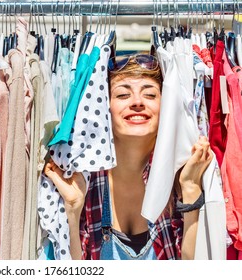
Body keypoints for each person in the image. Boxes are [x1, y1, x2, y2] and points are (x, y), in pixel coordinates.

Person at [44, 54, 213, 260]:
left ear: (166, 107)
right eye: (123, 95)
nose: (137, 102)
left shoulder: (183, 176)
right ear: (104, 107)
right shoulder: (85, 181)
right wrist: (72, 210)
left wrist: (190, 188)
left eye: (150, 95)